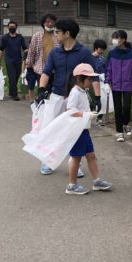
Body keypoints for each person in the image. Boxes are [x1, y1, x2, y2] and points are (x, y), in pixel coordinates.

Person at [37, 18, 99, 176]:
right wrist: (41, 89)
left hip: (76, 98)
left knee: (73, 132)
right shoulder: (54, 52)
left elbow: (93, 76)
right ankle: (48, 161)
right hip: (57, 95)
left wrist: (97, 97)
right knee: (51, 129)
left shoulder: (84, 52)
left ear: (67, 33)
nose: (55, 34)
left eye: (57, 31)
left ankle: (75, 163)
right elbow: (46, 72)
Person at [64, 63, 113, 195]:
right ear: (80, 79)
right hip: (76, 131)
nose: (91, 82)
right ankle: (72, 185)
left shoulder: (81, 91)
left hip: (83, 130)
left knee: (91, 155)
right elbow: (70, 111)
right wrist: (86, 115)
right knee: (76, 158)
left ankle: (97, 181)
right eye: (89, 79)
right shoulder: (75, 92)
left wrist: (88, 114)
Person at [105, 30, 132, 142]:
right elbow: (108, 69)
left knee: (127, 107)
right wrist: (107, 82)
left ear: (123, 39)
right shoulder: (111, 54)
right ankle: (119, 132)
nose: (115, 40)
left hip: (128, 84)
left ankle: (125, 124)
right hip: (115, 85)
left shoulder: (131, 54)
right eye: (114, 37)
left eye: (117, 38)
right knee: (118, 108)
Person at [25, 13, 59, 103]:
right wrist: (29, 66)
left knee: (53, 90)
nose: (50, 24)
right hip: (41, 68)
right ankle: (42, 105)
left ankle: (49, 105)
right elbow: (31, 52)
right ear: (43, 23)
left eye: (52, 22)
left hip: (56, 69)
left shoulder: (58, 36)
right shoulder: (37, 36)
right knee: (43, 89)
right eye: (47, 22)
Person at [0, 20, 27, 101]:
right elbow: (0, 50)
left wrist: (27, 58)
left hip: (18, 61)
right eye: (10, 27)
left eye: (13, 27)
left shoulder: (20, 37)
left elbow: (25, 49)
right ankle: (15, 95)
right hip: (9, 61)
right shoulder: (5, 38)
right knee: (12, 77)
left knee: (16, 78)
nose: (12, 28)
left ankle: (11, 91)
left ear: (16, 27)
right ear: (8, 28)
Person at [90, 38, 107, 120]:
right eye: (100, 49)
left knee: (102, 100)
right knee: (91, 99)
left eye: (103, 49)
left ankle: (99, 117)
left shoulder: (103, 59)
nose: (102, 51)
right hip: (90, 82)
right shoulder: (89, 58)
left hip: (101, 82)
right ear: (95, 48)